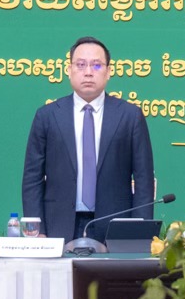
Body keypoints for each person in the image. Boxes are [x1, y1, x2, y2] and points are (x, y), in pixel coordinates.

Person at [21, 36, 156, 241]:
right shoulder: (47, 116)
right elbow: (32, 178)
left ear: (109, 72)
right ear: (69, 70)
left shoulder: (130, 116)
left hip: (115, 226)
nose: (88, 72)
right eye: (81, 65)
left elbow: (143, 180)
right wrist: (37, 230)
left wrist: (139, 232)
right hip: (58, 226)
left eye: (97, 65)